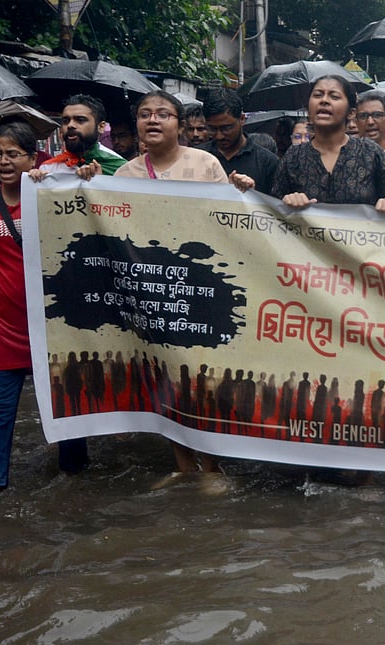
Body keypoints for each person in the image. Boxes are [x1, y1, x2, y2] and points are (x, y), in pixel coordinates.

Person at [113, 90, 254, 486]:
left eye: (163, 114)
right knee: (164, 377)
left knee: (200, 379)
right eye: (144, 114)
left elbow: (227, 223)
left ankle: (212, 467)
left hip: (199, 288)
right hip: (151, 291)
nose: (153, 121)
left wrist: (240, 191)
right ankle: (183, 465)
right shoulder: (124, 176)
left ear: (180, 123)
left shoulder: (206, 164)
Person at [0, 123, 87, 503]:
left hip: (53, 322)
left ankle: (75, 477)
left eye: (13, 154)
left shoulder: (49, 195)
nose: (3, 162)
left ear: (32, 157)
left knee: (66, 404)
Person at [274, 74, 385, 211]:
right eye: (318, 95)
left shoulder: (370, 152)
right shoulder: (294, 156)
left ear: (351, 113)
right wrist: (288, 201)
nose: (324, 101)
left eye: (334, 96)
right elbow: (272, 210)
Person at [199, 88, 278, 194]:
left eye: (226, 128)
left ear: (242, 119)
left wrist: (252, 194)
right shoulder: (197, 157)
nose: (219, 136)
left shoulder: (267, 162)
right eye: (212, 129)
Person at [38, 95, 126, 177]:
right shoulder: (48, 169)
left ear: (101, 127)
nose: (70, 125)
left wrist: (99, 182)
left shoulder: (121, 169)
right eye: (66, 121)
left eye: (80, 120)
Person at [355, 91, 385, 169]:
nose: (370, 122)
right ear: (356, 122)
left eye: (377, 115)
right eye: (363, 116)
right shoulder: (347, 155)